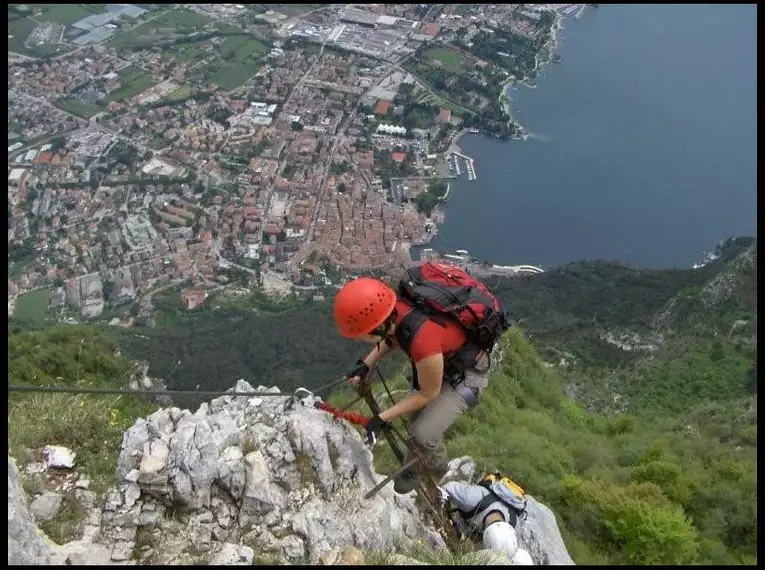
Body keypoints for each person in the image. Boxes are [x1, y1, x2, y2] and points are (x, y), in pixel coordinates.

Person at [333, 270, 502, 494]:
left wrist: (380, 418)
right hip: (441, 366)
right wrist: (366, 364)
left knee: (423, 432)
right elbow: (393, 337)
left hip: (468, 379)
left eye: (366, 333)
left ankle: (436, 470)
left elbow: (427, 394)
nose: (364, 338)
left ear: (379, 324)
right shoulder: (399, 309)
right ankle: (424, 465)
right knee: (416, 424)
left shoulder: (423, 338)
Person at [439, 478, 534, 565]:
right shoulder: (471, 499)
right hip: (465, 518)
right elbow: (448, 487)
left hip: (479, 527)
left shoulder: (514, 525)